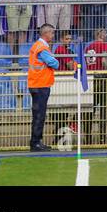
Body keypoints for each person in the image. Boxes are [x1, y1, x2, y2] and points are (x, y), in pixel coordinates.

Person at [27, 23, 61, 151]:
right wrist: (55, 61)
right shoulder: (42, 48)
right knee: (39, 115)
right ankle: (36, 142)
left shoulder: (38, 46)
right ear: (46, 33)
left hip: (37, 84)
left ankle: (36, 141)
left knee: (38, 114)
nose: (53, 35)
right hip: (40, 84)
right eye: (51, 33)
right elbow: (53, 63)